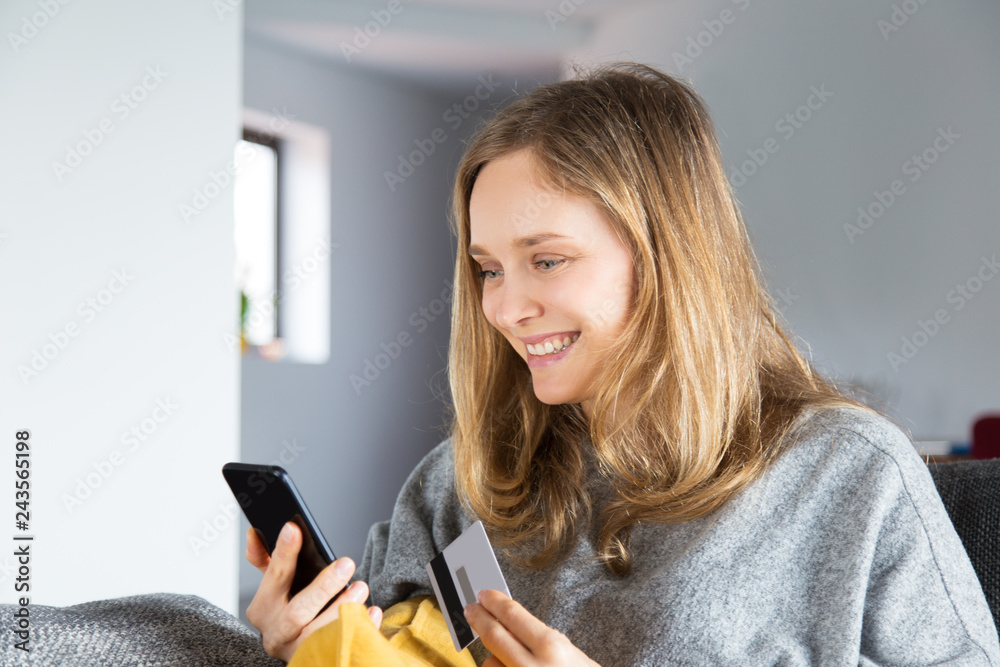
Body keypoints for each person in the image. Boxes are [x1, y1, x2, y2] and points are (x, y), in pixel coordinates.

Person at [244, 63, 1000, 666]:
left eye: (546, 259)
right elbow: (389, 645)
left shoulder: (845, 472)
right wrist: (301, 637)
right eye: (489, 269)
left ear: (667, 258)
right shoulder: (459, 480)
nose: (504, 309)